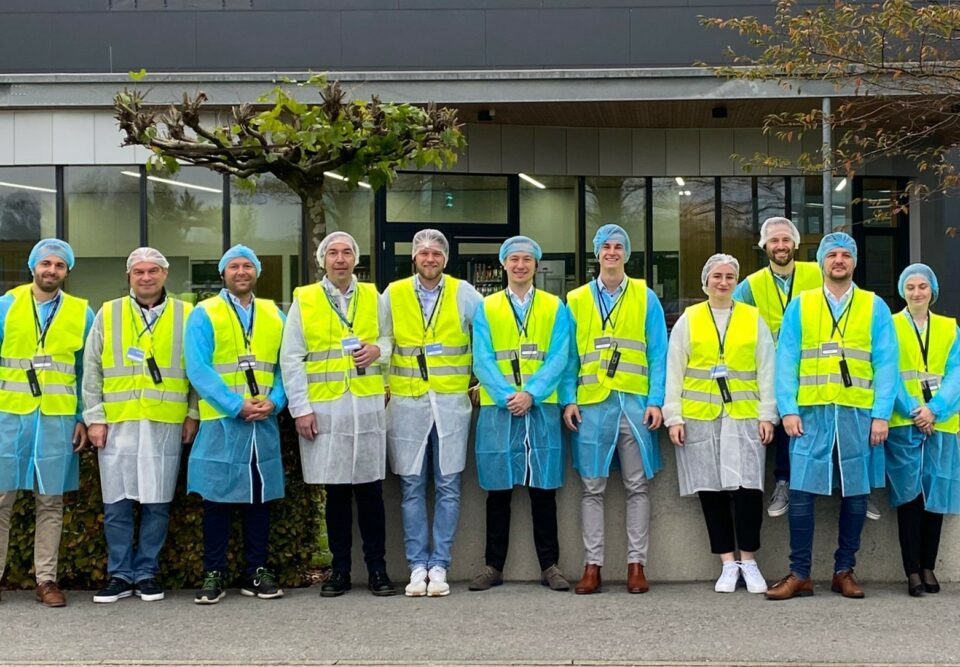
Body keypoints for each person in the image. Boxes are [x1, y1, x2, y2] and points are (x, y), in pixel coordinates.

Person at [766, 232, 897, 600]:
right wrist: (787, 410)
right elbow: (787, 360)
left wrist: (881, 415)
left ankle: (844, 570)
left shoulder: (874, 306)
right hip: (811, 414)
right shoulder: (802, 305)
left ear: (854, 262)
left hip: (857, 414)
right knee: (802, 492)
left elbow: (886, 363)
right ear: (822, 262)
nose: (839, 261)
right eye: (832, 255)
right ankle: (800, 574)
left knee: (856, 493)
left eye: (845, 255)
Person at [280, 231, 397, 598]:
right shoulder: (307, 299)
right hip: (327, 409)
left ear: (355, 259)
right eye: (334, 253)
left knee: (371, 493)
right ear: (323, 260)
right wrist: (300, 409)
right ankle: (340, 570)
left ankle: (377, 569)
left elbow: (392, 339)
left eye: (347, 253)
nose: (341, 259)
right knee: (336, 493)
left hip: (365, 408)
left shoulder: (373, 297)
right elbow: (291, 358)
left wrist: (379, 349)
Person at [83, 247, 198, 604]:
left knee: (157, 501)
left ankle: (146, 573)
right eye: (138, 272)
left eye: (153, 271)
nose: (146, 277)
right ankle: (120, 574)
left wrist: (193, 413)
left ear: (165, 275)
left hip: (164, 422)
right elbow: (92, 371)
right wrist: (94, 419)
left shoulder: (187, 314)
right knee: (116, 502)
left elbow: (196, 369)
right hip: (118, 423)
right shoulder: (109, 312)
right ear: (129, 277)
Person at [561, 224, 666, 595]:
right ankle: (593, 566)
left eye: (618, 246)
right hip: (591, 405)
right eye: (605, 246)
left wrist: (656, 401)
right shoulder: (575, 299)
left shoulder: (644, 295)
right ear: (596, 252)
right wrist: (567, 398)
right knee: (592, 487)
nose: (612, 252)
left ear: (627, 253)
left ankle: (637, 564)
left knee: (637, 486)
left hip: (634, 404)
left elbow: (657, 353)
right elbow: (567, 355)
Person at [664, 254, 776, 594]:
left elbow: (766, 369)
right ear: (706, 281)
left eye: (729, 276)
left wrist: (767, 414)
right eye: (717, 276)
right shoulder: (690, 319)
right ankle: (728, 563)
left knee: (748, 491)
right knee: (710, 491)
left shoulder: (753, 318)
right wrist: (674, 416)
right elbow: (675, 369)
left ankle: (750, 561)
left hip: (744, 416)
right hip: (701, 416)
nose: (723, 282)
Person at [381, 229, 482, 597]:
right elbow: (382, 341)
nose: (430, 258)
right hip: (408, 405)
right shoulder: (393, 294)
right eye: (423, 253)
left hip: (451, 405)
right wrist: (381, 388)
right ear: (414, 258)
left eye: (436, 253)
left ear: (445, 258)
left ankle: (439, 565)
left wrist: (482, 382)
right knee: (410, 486)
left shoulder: (464, 293)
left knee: (448, 487)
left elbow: (484, 340)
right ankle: (415, 566)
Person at [469, 235, 571, 592]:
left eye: (527, 259)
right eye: (514, 259)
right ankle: (492, 565)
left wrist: (532, 394)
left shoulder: (555, 307)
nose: (520, 265)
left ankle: (550, 565)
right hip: (501, 410)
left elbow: (560, 357)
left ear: (536, 265)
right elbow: (481, 358)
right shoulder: (488, 307)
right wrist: (505, 396)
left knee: (543, 491)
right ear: (504, 264)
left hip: (539, 408)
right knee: (498, 492)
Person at [186, 244, 287, 605]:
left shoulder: (275, 315)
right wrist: (235, 405)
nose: (241, 272)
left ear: (256, 272)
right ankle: (213, 572)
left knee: (259, 499)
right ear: (223, 274)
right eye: (234, 267)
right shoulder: (205, 313)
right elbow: (198, 368)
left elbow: (286, 366)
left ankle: (256, 570)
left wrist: (276, 400)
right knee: (218, 498)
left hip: (263, 419)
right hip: (223, 421)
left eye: (247, 266)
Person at [0, 239, 93, 607]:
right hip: (9, 417)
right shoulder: (6, 307)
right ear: (33, 267)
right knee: (1, 500)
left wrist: (84, 416)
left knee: (51, 502)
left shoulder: (81, 313)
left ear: (67, 271)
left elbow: (88, 371)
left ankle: (46, 580)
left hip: (56, 418)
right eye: (46, 264)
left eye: (59, 265)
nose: (51, 270)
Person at [733, 217, 822, 518]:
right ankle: (783, 481)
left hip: (815, 367)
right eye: (774, 241)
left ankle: (851, 488)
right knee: (786, 418)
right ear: (764, 246)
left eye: (786, 240)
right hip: (772, 372)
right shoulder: (751, 286)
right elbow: (731, 321)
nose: (781, 246)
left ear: (795, 243)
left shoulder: (818, 274)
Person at [885, 264, 960, 596]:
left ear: (933, 291)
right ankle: (912, 570)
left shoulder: (949, 328)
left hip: (941, 422)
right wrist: (917, 411)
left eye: (923, 287)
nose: (917, 292)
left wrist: (935, 409)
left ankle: (928, 565)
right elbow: (888, 371)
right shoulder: (889, 326)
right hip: (905, 422)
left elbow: (957, 373)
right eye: (911, 287)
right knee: (910, 498)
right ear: (903, 291)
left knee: (935, 497)